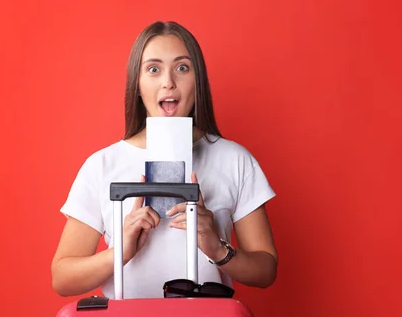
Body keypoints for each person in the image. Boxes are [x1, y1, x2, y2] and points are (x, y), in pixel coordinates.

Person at [51, 21, 278, 299]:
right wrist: (119, 253)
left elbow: (266, 270)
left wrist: (217, 248)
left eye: (182, 68)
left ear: (199, 81)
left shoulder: (235, 160)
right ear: (137, 83)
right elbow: (63, 278)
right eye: (153, 69)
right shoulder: (102, 165)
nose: (168, 81)